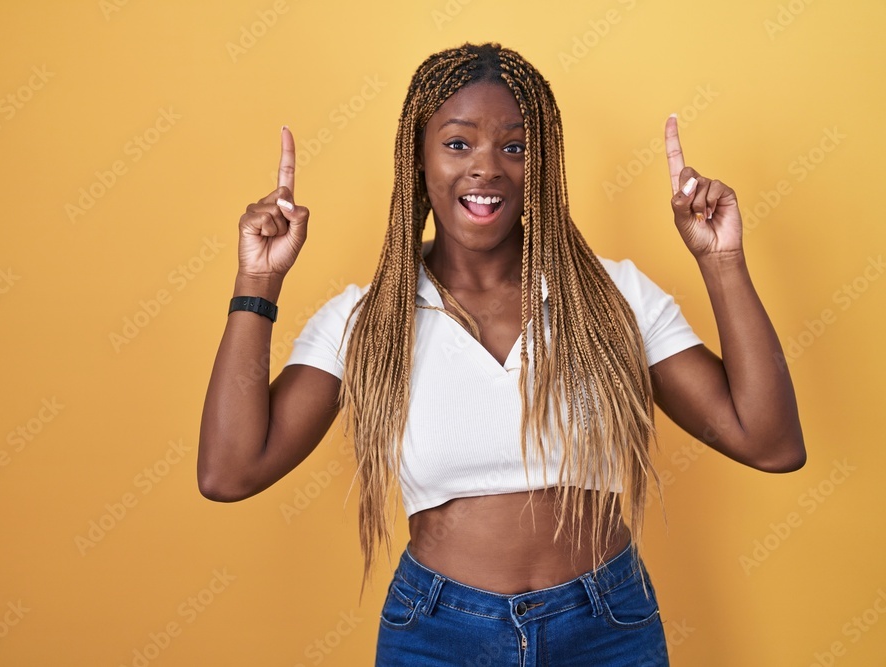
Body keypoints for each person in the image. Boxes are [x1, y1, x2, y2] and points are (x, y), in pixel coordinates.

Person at [197, 43, 805, 666]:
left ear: (541, 165)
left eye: (515, 147)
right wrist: (258, 282)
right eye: (458, 144)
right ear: (419, 159)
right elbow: (229, 472)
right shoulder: (368, 319)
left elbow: (770, 443)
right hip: (439, 636)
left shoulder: (612, 297)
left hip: (606, 630)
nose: (486, 167)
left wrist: (721, 260)